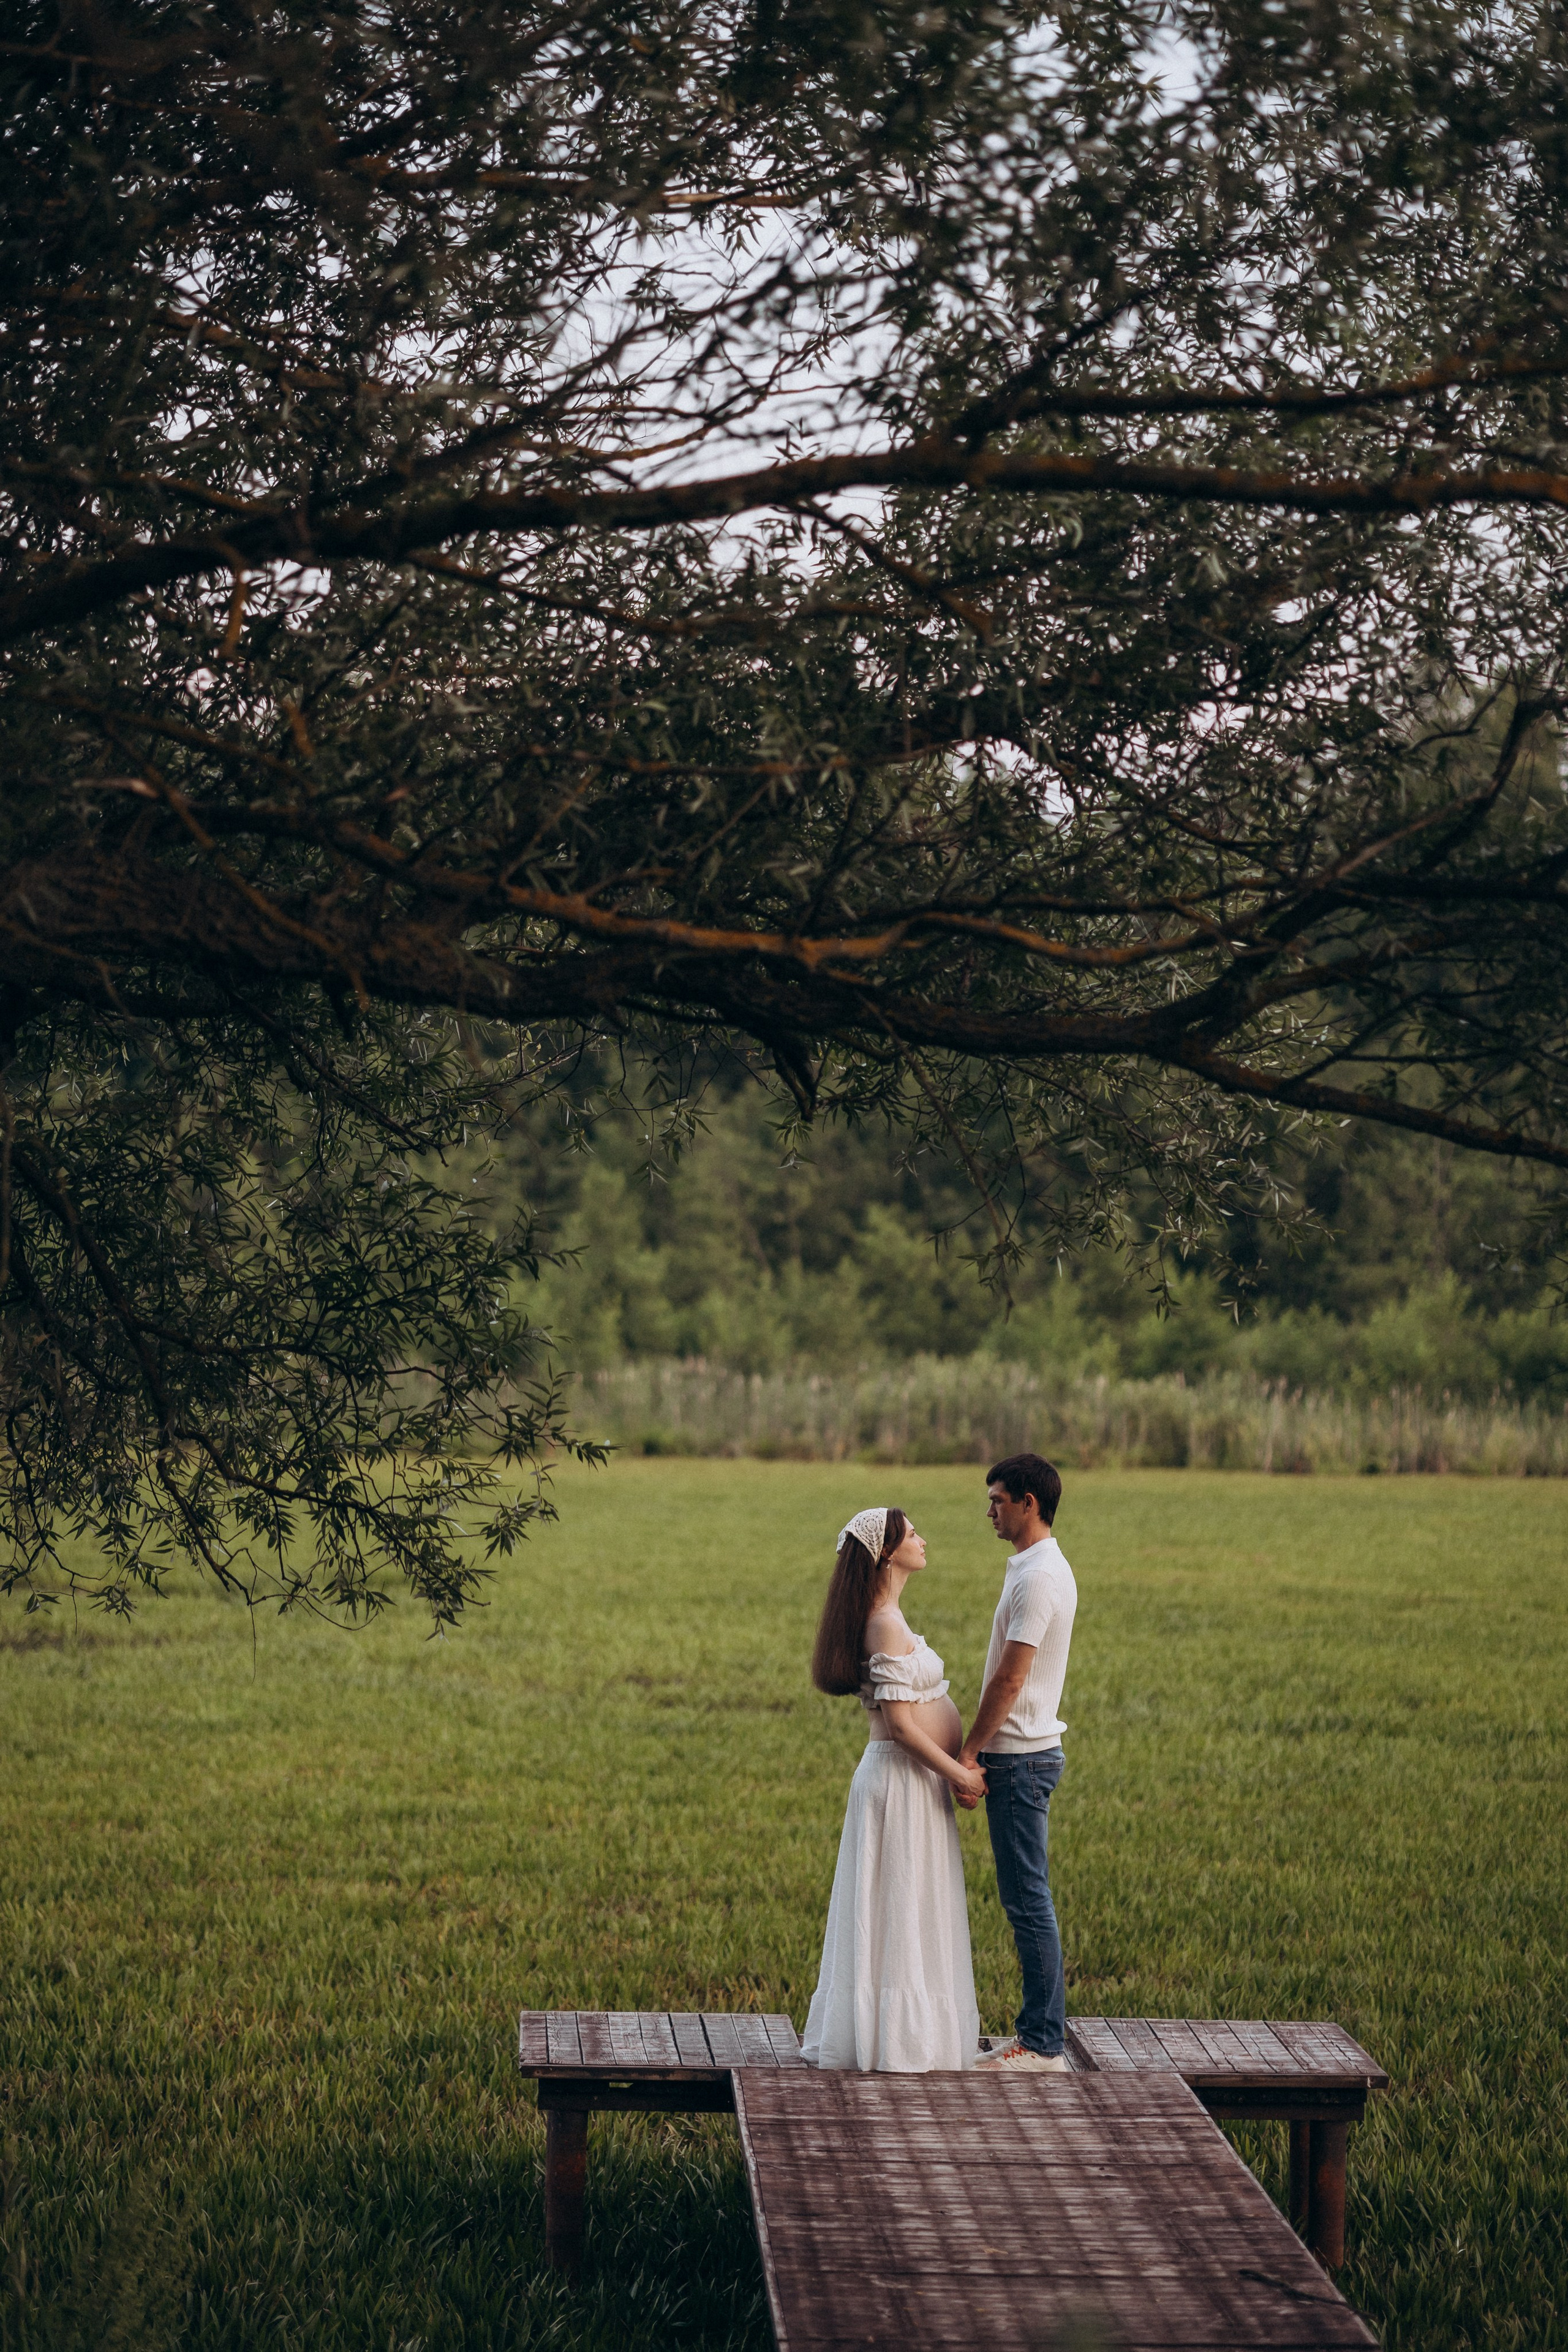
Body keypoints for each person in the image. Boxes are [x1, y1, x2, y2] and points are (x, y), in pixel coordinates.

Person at [801, 1505, 986, 2072]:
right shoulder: (883, 1623)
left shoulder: (891, 1617)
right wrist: (959, 1773)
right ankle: (896, 2042)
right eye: (912, 1535)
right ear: (886, 1552)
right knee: (900, 1907)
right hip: (900, 1782)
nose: (923, 1540)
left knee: (912, 1905)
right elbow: (902, 1726)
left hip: (913, 1783)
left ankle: (911, 2037)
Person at [960, 1453, 1078, 2073]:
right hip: (1026, 1756)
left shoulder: (1038, 1578)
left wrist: (970, 1750)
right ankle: (1040, 2035)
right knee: (1025, 1897)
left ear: (1030, 1502)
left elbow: (1010, 1678)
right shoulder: (1037, 1567)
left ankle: (1039, 2044)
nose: (990, 1511)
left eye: (998, 1500)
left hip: (1020, 1759)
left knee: (1027, 1900)